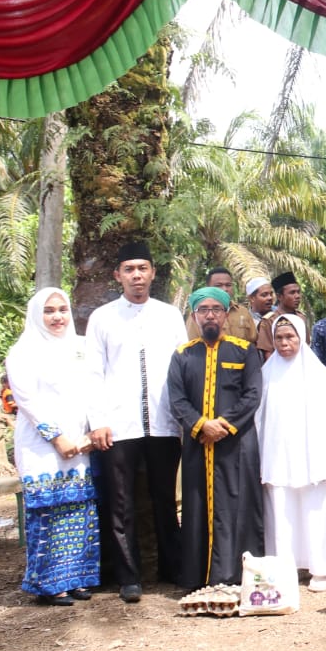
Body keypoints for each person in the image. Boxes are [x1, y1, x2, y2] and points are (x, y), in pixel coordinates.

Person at [85, 241, 188, 602]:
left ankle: (172, 568)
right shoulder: (103, 317)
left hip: (163, 424)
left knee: (164, 500)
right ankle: (129, 576)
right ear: (118, 275)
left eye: (142, 268)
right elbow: (93, 373)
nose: (137, 275)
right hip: (118, 426)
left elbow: (181, 367)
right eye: (129, 269)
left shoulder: (169, 315)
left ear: (153, 273)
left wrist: (183, 419)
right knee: (121, 502)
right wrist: (97, 421)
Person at [169, 287, 265, 592]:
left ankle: (239, 576)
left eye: (216, 309)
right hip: (198, 445)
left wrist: (223, 424)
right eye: (203, 310)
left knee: (238, 506)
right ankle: (196, 576)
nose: (210, 315)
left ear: (226, 314)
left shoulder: (244, 350)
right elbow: (177, 398)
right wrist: (200, 425)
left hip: (236, 444)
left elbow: (252, 395)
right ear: (195, 316)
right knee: (197, 507)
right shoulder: (183, 355)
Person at [9, 287, 100, 606]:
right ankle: (49, 584)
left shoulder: (81, 346)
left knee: (78, 508)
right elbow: (27, 401)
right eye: (49, 311)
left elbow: (94, 388)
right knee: (49, 510)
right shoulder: (23, 351)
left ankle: (76, 578)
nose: (57, 316)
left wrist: (91, 432)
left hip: (80, 442)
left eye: (62, 309)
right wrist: (57, 438)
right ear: (37, 314)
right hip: (42, 445)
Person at [256, 314, 326, 591]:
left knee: (316, 508)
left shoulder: (315, 372)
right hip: (278, 452)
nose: (283, 343)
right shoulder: (268, 372)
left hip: (312, 452)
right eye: (279, 338)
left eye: (289, 337)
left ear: (302, 337)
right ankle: (286, 567)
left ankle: (321, 568)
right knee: (282, 508)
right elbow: (260, 417)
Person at [186, 267, 258, 344]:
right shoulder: (198, 315)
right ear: (208, 287)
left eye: (228, 285)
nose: (225, 289)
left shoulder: (243, 312)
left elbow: (253, 341)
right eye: (218, 285)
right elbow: (192, 346)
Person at [256, 272, 309, 360]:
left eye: (298, 292)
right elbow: (268, 353)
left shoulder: (301, 318)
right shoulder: (270, 320)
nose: (297, 296)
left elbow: (306, 347)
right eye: (292, 293)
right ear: (279, 296)